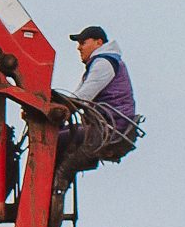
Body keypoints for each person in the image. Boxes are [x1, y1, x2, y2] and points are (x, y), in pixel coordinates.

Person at [52, 25, 142, 189]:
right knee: (56, 134)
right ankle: (50, 191)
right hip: (103, 125)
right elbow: (77, 97)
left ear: (98, 42)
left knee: (51, 139)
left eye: (83, 42)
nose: (79, 47)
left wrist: (57, 112)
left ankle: (49, 192)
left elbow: (82, 97)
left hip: (108, 128)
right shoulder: (100, 64)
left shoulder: (104, 63)